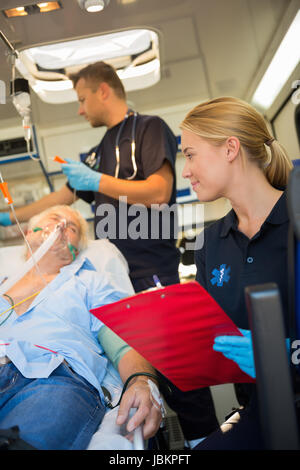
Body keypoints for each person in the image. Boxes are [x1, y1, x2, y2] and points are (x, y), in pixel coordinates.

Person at [0, 61, 180, 293]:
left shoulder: (149, 128)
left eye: (82, 100)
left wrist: (96, 181)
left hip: (152, 270)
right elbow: (60, 198)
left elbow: (158, 193)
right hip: (112, 272)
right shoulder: (98, 152)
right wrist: (8, 217)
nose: (80, 110)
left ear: (103, 91)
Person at [179, 96, 293, 449]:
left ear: (230, 149)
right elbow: (212, 336)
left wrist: (285, 356)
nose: (185, 171)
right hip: (262, 412)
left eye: (190, 154)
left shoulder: (297, 219)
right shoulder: (210, 244)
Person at [0, 205, 162, 450]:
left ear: (76, 249)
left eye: (72, 227)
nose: (62, 226)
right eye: (54, 218)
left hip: (51, 379)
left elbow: (121, 342)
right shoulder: (3, 286)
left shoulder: (88, 282)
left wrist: (141, 380)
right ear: (28, 233)